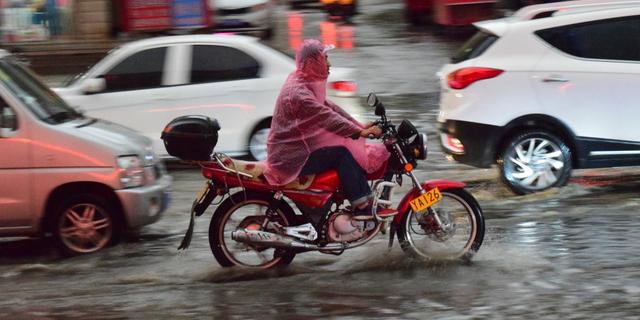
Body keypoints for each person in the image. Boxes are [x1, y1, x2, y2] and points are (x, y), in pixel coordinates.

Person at [264, 38, 394, 220]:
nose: (329, 63)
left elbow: (330, 108)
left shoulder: (302, 81)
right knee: (341, 154)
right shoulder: (300, 94)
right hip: (291, 160)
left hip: (296, 151)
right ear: (312, 63)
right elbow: (326, 117)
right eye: (325, 58)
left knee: (343, 152)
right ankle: (362, 205)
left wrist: (358, 127)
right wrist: (359, 132)